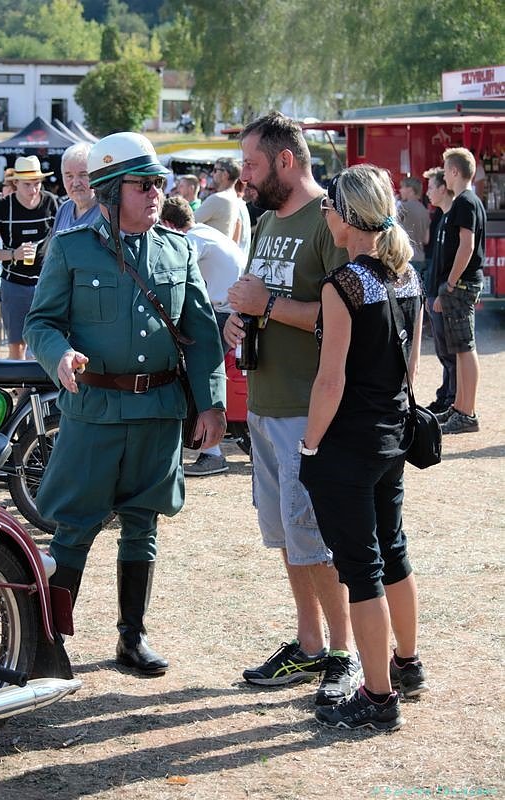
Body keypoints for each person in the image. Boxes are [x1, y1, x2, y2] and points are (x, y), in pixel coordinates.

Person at [23, 132, 226, 675]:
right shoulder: (71, 247)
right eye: (145, 184)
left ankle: (131, 639)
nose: (157, 192)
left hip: (158, 411)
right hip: (94, 412)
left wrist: (211, 406)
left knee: (144, 526)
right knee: (75, 528)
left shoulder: (178, 248)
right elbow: (40, 322)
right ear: (111, 192)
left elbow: (202, 333)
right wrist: (59, 354)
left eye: (160, 182)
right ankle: (48, 644)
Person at [224, 112, 359, 706]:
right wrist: (240, 316)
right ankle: (308, 647)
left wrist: (268, 303)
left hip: (311, 410)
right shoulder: (265, 221)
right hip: (265, 403)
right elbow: (261, 297)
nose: (243, 176)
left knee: (318, 538)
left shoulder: (328, 218)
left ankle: (344, 652)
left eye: (252, 164)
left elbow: (344, 316)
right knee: (287, 535)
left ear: (285, 160)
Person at [299, 165, 425, 732]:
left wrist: (310, 443)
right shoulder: (407, 278)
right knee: (392, 549)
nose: (324, 213)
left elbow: (330, 382)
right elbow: (412, 366)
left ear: (347, 218)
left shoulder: (343, 284)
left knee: (361, 566)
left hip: (349, 443)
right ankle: (407, 664)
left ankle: (377, 696)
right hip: (392, 435)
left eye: (329, 205)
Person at [161, 195, 247, 476]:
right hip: (230, 309)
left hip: (226, 314)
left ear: (168, 224)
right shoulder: (206, 232)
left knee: (194, 373)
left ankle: (211, 452)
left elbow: (173, 270)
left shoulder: (192, 240)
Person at [0, 156, 58, 360]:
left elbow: (62, 237)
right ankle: (20, 390)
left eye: (37, 183)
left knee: (50, 339)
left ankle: (44, 389)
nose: (34, 190)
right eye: (27, 185)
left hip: (47, 284)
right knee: (17, 344)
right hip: (14, 285)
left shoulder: (51, 202)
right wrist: (14, 254)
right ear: (15, 183)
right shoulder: (2, 207)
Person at [433, 147, 486, 435]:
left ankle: (466, 412)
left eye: (445, 169)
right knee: (462, 349)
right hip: (464, 283)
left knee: (465, 349)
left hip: (461, 284)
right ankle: (461, 408)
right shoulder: (471, 200)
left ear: (454, 171)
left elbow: (466, 245)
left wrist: (451, 282)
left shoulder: (465, 202)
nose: (443, 174)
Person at [423, 167, 456, 415]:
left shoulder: (453, 217)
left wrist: (442, 294)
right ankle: (445, 394)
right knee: (443, 352)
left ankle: (452, 398)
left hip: (442, 294)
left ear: (443, 188)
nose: (428, 192)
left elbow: (453, 261)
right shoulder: (439, 217)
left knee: (451, 353)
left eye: (431, 187)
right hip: (434, 291)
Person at [51, 142, 100, 234]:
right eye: (69, 176)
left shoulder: (107, 213)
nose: (76, 183)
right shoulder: (63, 209)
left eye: (83, 175)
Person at [195, 158, 241, 240]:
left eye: (215, 170)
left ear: (225, 174)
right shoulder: (234, 198)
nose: (212, 174)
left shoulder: (218, 198)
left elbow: (189, 222)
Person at [397, 177, 430, 284]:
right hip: (420, 258)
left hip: (405, 258)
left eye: (402, 187)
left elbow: (390, 224)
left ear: (410, 190)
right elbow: (426, 239)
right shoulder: (425, 211)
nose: (400, 190)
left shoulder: (403, 207)